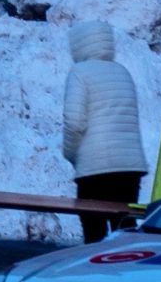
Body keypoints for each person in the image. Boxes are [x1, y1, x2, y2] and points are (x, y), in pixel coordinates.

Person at [62, 18, 146, 242]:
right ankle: (126, 274)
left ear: (79, 45)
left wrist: (71, 155)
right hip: (129, 167)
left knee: (94, 232)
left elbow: (74, 122)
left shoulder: (80, 73)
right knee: (124, 231)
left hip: (94, 169)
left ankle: (95, 275)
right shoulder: (123, 73)